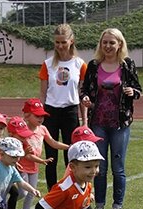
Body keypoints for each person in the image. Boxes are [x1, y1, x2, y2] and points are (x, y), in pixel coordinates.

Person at [80, 28, 142, 209]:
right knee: (99, 167)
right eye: (105, 42)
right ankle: (99, 205)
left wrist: (132, 92)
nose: (107, 46)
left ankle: (117, 207)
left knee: (118, 167)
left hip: (119, 124)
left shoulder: (127, 65)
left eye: (112, 43)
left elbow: (138, 89)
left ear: (119, 44)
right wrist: (85, 98)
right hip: (98, 122)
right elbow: (84, 90)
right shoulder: (94, 65)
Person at [39, 23, 88, 190]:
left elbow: (82, 94)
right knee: (51, 157)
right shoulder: (47, 64)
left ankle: (71, 191)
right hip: (50, 113)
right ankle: (52, 194)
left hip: (70, 112)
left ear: (71, 41)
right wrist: (40, 116)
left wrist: (84, 121)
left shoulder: (79, 64)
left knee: (71, 155)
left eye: (63, 42)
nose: (60, 46)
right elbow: (43, 94)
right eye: (57, 42)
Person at [17, 99, 69, 209]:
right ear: (27, 115)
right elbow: (21, 152)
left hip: (34, 167)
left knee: (32, 191)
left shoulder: (42, 129)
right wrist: (41, 160)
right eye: (37, 116)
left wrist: (69, 147)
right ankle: (6, 206)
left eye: (42, 116)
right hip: (21, 166)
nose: (40, 119)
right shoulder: (22, 130)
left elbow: (53, 143)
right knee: (23, 192)